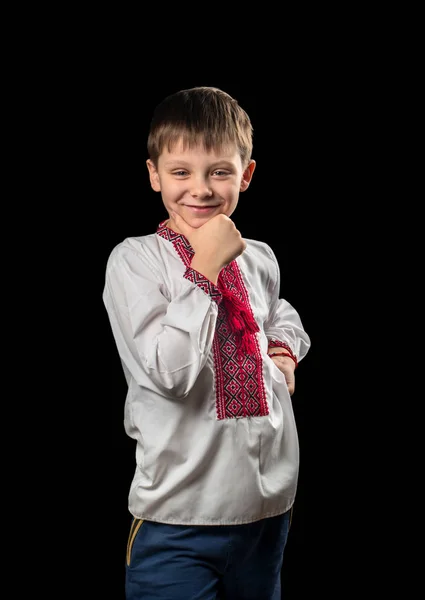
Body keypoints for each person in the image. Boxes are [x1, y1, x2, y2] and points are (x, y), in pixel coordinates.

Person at [102, 86, 311, 600]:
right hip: (179, 518)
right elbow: (171, 377)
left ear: (246, 174)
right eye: (181, 172)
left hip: (268, 510)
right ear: (154, 174)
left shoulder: (258, 256)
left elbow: (279, 312)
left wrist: (284, 349)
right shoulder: (135, 261)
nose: (200, 189)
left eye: (219, 171)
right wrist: (207, 267)